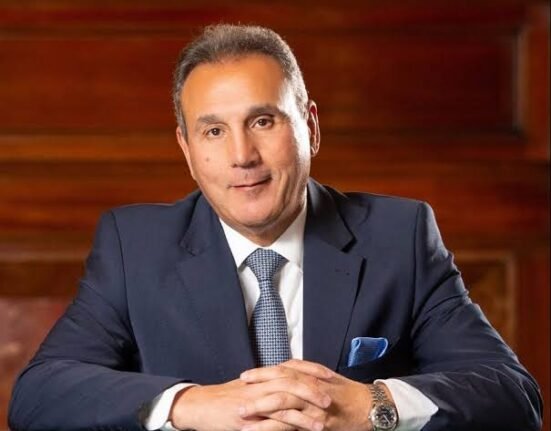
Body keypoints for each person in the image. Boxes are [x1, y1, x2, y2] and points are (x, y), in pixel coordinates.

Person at [8, 24, 542, 431]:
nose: (242, 155)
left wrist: (371, 404)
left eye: (263, 121)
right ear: (186, 150)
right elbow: (39, 394)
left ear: (310, 127)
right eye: (213, 131)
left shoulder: (399, 236)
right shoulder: (134, 247)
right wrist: (191, 404)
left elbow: (512, 395)